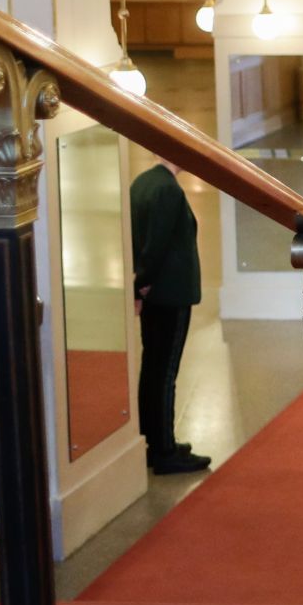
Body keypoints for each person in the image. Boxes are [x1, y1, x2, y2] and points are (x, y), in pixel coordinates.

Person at [129, 158, 211, 476]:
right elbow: (156, 246)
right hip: (169, 293)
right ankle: (164, 450)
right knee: (164, 373)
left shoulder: (144, 182)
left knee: (152, 368)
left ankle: (154, 439)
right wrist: (143, 283)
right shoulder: (168, 190)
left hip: (155, 294)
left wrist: (138, 287)